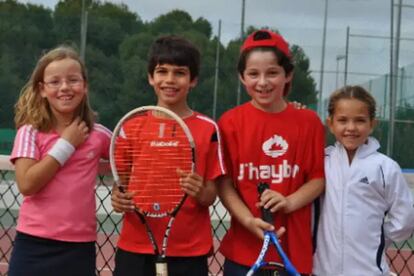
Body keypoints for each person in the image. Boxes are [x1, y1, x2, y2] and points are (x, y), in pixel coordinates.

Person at [111, 35, 226, 276]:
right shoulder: (131, 126)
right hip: (134, 248)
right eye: (162, 72)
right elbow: (120, 185)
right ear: (151, 77)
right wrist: (118, 200)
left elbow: (210, 196)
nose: (170, 80)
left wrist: (199, 191)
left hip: (188, 252)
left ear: (193, 80)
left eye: (180, 73)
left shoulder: (208, 129)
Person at [217, 29, 325, 276]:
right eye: (253, 74)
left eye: (273, 73)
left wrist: (288, 202)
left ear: (288, 75)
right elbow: (225, 184)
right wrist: (248, 221)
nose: (263, 82)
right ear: (242, 77)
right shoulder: (229, 123)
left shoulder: (309, 122)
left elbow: (317, 179)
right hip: (243, 252)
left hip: (294, 254)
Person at [8, 45, 112, 276]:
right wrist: (66, 144)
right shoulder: (29, 132)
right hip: (33, 244)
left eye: (73, 80)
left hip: (79, 248)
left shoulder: (99, 135)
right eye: (55, 82)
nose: (65, 87)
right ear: (42, 89)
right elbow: (27, 184)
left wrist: (121, 187)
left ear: (85, 87)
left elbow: (128, 159)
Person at [313, 85, 414, 276]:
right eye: (342, 120)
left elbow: (405, 218)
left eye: (360, 120)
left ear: (372, 123)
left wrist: (380, 236)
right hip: (322, 271)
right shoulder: (320, 162)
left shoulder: (385, 167)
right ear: (331, 123)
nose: (351, 128)